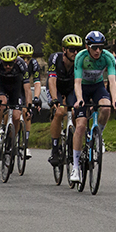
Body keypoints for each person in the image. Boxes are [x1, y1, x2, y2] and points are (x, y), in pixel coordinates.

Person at [69, 30, 116, 183]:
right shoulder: (81, 57)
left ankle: (99, 136)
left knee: (106, 107)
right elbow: (77, 82)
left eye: (100, 47)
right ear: (87, 46)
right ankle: (76, 167)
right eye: (94, 47)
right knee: (81, 126)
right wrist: (79, 99)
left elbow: (112, 81)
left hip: (98, 86)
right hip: (82, 88)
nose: (98, 51)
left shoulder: (107, 57)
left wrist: (115, 99)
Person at [47, 34, 83, 166]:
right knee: (59, 112)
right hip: (57, 86)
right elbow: (52, 80)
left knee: (75, 112)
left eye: (77, 50)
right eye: (72, 49)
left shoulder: (80, 60)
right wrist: (55, 99)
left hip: (71, 87)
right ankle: (55, 149)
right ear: (64, 50)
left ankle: (72, 142)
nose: (75, 53)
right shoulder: (55, 58)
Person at [0, 46, 28, 154]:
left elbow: (27, 88)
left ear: (15, 60)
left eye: (10, 63)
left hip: (16, 87)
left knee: (16, 116)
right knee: (1, 103)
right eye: (5, 63)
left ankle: (11, 142)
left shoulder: (22, 64)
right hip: (2, 86)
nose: (7, 66)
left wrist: (29, 106)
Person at [17, 42, 40, 160]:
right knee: (14, 112)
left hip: (25, 89)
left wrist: (36, 98)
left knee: (27, 113)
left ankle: (25, 145)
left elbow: (37, 83)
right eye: (23, 57)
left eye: (28, 58)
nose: (26, 61)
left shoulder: (34, 64)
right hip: (14, 88)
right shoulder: (13, 63)